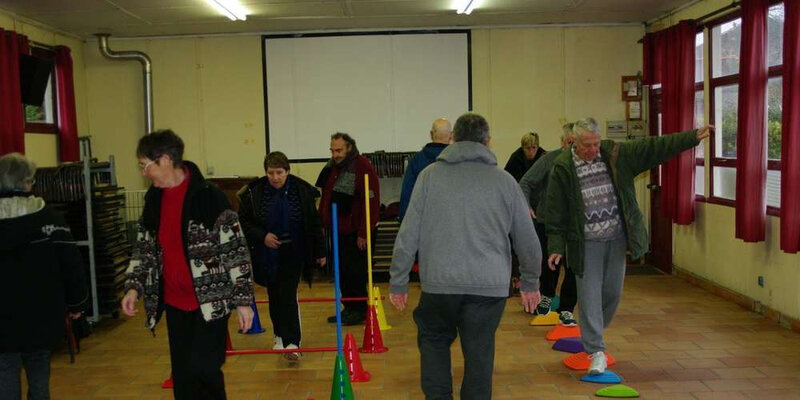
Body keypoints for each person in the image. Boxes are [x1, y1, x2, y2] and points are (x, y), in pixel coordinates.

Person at [389, 113, 542, 400]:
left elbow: (408, 234)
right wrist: (531, 282)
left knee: (433, 342)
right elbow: (527, 238)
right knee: (480, 352)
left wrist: (398, 281)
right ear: (488, 141)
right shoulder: (505, 182)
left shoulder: (428, 177)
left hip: (439, 285)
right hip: (489, 287)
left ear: (453, 139)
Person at [544, 118, 712, 375]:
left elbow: (654, 147)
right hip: (585, 243)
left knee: (612, 294)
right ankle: (596, 351)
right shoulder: (562, 168)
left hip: (616, 238)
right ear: (573, 143)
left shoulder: (615, 154)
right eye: (586, 145)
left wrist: (691, 137)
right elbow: (555, 212)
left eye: (595, 143)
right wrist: (555, 246)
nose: (592, 150)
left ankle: (594, 332)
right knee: (588, 296)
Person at [121, 129, 254, 400]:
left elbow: (236, 251)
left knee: (204, 369)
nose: (144, 173)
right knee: (183, 376)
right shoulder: (154, 200)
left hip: (211, 302)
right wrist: (133, 287)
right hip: (174, 301)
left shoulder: (209, 197)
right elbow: (144, 247)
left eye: (145, 166)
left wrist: (243, 301)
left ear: (166, 160)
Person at [0, 153, 88, 400]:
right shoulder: (49, 218)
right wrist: (77, 303)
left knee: (5, 372)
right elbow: (71, 263)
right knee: (39, 376)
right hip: (41, 315)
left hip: (1, 321)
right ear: (28, 182)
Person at [237, 151, 326, 361]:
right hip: (267, 253)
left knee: (287, 295)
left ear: (287, 171)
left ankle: (293, 342)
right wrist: (263, 236)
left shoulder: (302, 190)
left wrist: (321, 251)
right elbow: (244, 222)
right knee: (274, 296)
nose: (275, 177)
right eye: (270, 173)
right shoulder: (253, 192)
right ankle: (279, 336)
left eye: (279, 172)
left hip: (294, 251)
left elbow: (315, 223)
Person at [315, 132, 380, 325]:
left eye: (339, 150)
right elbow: (326, 196)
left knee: (355, 273)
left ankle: (359, 309)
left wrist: (363, 233)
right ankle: (349, 308)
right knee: (342, 272)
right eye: (333, 150)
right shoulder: (333, 168)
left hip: (355, 232)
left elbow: (372, 204)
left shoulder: (362, 167)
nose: (335, 154)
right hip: (337, 230)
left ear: (349, 148)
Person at [519, 122, 579, 326]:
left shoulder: (587, 163)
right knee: (549, 263)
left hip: (574, 225)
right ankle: (546, 296)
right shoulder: (548, 160)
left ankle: (567, 309)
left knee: (573, 267)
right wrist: (526, 206)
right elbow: (525, 183)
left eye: (577, 143)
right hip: (548, 222)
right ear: (563, 142)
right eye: (570, 142)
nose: (573, 148)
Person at [398, 118, 451, 222]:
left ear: (431, 134)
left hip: (424, 223)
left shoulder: (417, 160)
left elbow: (407, 195)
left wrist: (403, 222)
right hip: (451, 225)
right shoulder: (457, 162)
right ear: (451, 136)